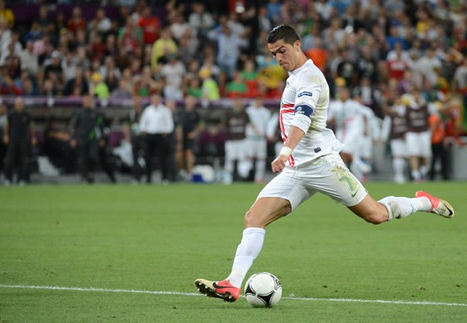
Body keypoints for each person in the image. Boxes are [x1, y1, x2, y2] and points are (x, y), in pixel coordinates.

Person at [195, 24, 455, 303]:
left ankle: (424, 202)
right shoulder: (294, 76)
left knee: (376, 215)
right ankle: (232, 284)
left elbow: (303, 117)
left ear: (297, 46)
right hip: (297, 168)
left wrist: (285, 150)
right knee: (254, 218)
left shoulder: (310, 79)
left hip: (322, 165)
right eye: (273, 54)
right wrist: (290, 156)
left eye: (282, 51)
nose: (278, 58)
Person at [139, 93, 174, 184]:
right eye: (153, 99)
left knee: (163, 158)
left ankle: (164, 178)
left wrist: (166, 131)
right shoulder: (148, 110)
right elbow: (142, 123)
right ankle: (148, 178)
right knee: (147, 157)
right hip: (149, 136)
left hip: (161, 136)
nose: (155, 101)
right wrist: (144, 130)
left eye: (157, 99)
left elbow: (170, 124)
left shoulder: (165, 110)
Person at [4, 97, 36, 185]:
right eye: (17, 104)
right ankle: (8, 179)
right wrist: (6, 135)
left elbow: (32, 126)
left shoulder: (27, 114)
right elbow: (7, 126)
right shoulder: (11, 114)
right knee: (10, 160)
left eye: (20, 104)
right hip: (13, 140)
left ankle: (21, 179)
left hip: (23, 140)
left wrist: (33, 137)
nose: (19, 106)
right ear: (15, 105)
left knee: (22, 161)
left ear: (23, 105)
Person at [245, 96, 272, 183]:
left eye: (260, 100)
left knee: (261, 158)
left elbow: (268, 126)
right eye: (257, 100)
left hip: (261, 139)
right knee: (249, 158)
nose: (258, 102)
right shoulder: (248, 111)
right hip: (250, 138)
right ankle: (247, 177)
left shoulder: (266, 112)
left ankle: (259, 178)